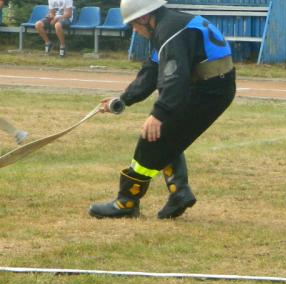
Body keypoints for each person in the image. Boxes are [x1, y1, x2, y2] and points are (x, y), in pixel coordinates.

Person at [89, 0, 236, 219]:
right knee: (168, 136)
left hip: (209, 91)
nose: (134, 30)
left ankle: (126, 202)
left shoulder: (170, 30)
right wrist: (123, 99)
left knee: (152, 138)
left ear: (144, 17)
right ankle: (179, 192)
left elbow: (175, 77)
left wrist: (160, 113)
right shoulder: (171, 24)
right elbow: (152, 70)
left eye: (133, 24)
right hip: (211, 86)